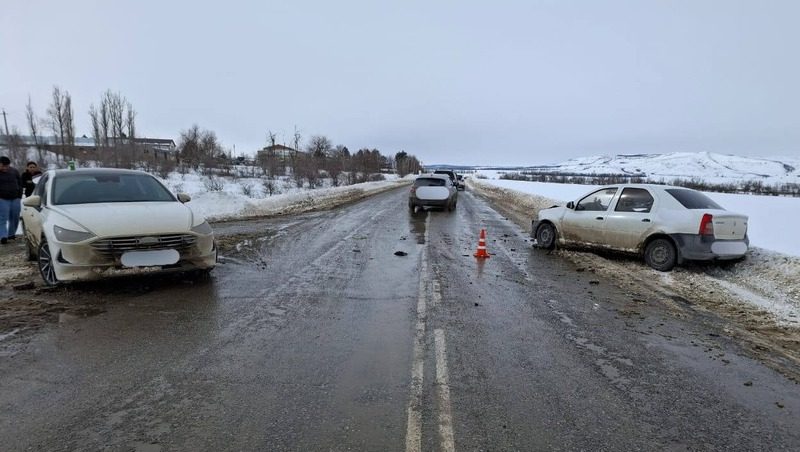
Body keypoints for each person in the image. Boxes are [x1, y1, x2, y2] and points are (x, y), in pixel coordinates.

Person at [0, 156, 23, 244]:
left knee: (15, 217)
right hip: (2, 199)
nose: (5, 168)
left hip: (15, 198)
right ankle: (3, 236)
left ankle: (11, 234)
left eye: (7, 166)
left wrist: (19, 196)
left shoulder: (14, 171)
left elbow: (20, 183)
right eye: (3, 166)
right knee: (2, 218)